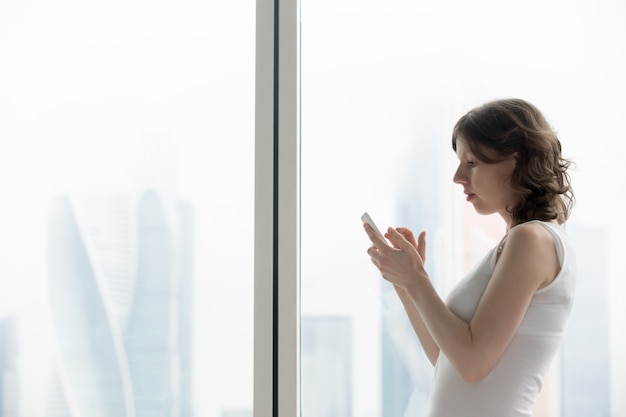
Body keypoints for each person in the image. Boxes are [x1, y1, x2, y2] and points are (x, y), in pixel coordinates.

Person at [363, 98, 576, 417]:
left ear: (514, 162)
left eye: (472, 162)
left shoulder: (531, 239)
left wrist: (417, 281)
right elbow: (447, 358)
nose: (458, 176)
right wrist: (407, 285)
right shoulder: (519, 242)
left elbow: (472, 364)